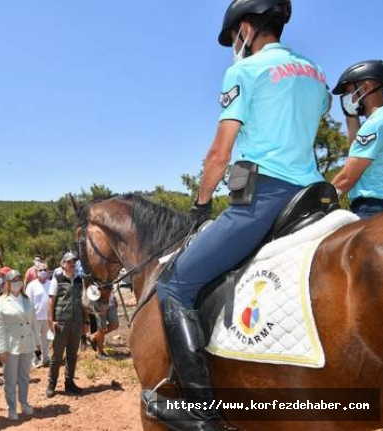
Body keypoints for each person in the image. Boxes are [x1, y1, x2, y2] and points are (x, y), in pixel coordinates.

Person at [141, 0, 331, 426]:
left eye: (233, 38)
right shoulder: (316, 75)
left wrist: (202, 203)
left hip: (263, 198)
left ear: (245, 28)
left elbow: (218, 155)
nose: (234, 46)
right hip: (314, 197)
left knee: (173, 286)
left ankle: (204, 416)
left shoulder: (244, 72)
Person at [331, 60, 383, 218]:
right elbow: (356, 152)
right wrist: (351, 116)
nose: (347, 99)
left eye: (350, 92)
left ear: (366, 87)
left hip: (374, 208)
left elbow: (346, 178)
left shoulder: (377, 123)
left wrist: (320, 200)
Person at [0, 270, 40, 420]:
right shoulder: (1, 301)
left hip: (26, 342)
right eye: (13, 280)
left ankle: (24, 402)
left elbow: (33, 322)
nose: (17, 282)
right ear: (7, 283)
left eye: (19, 279)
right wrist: (2, 349)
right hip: (10, 345)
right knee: (10, 379)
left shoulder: (27, 300)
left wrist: (37, 342)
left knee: (24, 377)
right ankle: (12, 407)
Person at [46, 252, 87, 398]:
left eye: (74, 262)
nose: (72, 264)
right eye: (69, 262)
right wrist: (51, 320)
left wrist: (86, 321)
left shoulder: (78, 280)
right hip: (61, 323)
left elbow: (83, 303)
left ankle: (69, 383)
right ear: (63, 264)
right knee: (57, 356)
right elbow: (51, 300)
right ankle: (51, 384)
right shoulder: (57, 279)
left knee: (72, 356)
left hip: (76, 323)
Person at [24, 263, 51, 367]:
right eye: (40, 270)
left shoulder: (51, 283)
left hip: (47, 317)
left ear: (48, 272)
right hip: (35, 317)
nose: (43, 272)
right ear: (36, 272)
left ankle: (45, 359)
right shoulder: (32, 285)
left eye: (45, 270)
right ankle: (34, 359)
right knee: (35, 339)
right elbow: (27, 301)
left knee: (45, 339)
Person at [87, 290, 120, 360]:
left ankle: (94, 336)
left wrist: (114, 297)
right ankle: (100, 353)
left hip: (110, 302)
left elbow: (110, 285)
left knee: (115, 324)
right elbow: (90, 289)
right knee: (102, 328)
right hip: (99, 303)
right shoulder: (94, 279)